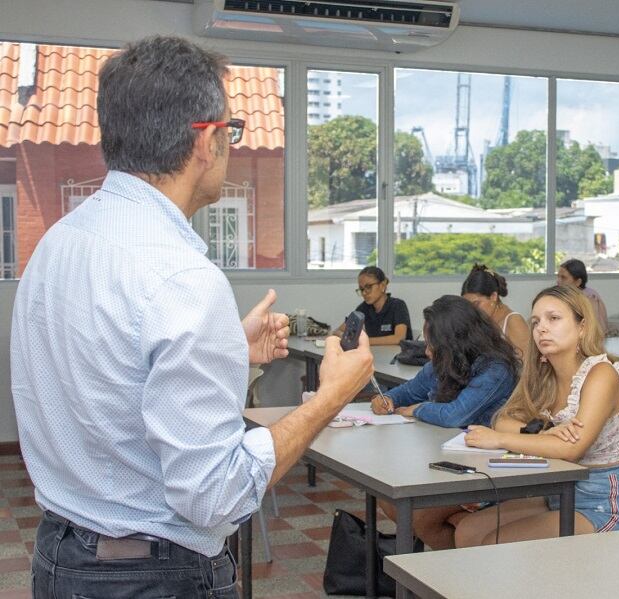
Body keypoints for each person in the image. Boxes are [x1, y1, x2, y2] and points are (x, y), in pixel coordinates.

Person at [10, 36, 374, 599]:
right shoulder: (181, 279)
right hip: (152, 575)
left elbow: (106, 373)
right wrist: (329, 397)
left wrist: (224, 346)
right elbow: (215, 494)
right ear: (206, 140)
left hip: (62, 557)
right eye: (232, 131)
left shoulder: (60, 242)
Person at [454, 285, 619, 547]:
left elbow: (570, 449)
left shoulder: (601, 375)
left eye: (554, 319)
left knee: (495, 543)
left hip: (602, 506)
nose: (541, 328)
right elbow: (503, 419)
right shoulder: (545, 373)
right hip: (558, 493)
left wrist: (499, 440)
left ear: (582, 326)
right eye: (536, 321)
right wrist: (542, 434)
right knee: (467, 532)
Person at [372, 295, 519, 550]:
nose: (427, 352)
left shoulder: (495, 369)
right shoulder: (444, 362)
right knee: (387, 497)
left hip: (486, 471)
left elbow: (455, 415)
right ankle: (454, 559)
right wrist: (386, 398)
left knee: (417, 515)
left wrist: (420, 409)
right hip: (447, 460)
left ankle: (451, 576)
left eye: (433, 344)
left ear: (456, 343)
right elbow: (408, 391)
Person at [461, 263, 530, 356]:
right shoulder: (479, 323)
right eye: (468, 305)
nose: (472, 310)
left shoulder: (514, 321)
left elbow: (528, 365)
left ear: (493, 296)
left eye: (476, 303)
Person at [338, 266, 412, 346]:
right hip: (376, 355)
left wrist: (362, 341)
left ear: (382, 286)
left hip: (399, 356)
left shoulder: (398, 305)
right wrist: (345, 336)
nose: (364, 293)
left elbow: (399, 338)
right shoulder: (363, 308)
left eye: (368, 287)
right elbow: (338, 331)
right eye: (362, 289)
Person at [557, 258, 609, 336]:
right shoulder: (565, 296)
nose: (558, 281)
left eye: (563, 278)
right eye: (558, 276)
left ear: (578, 282)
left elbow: (592, 330)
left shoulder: (590, 298)